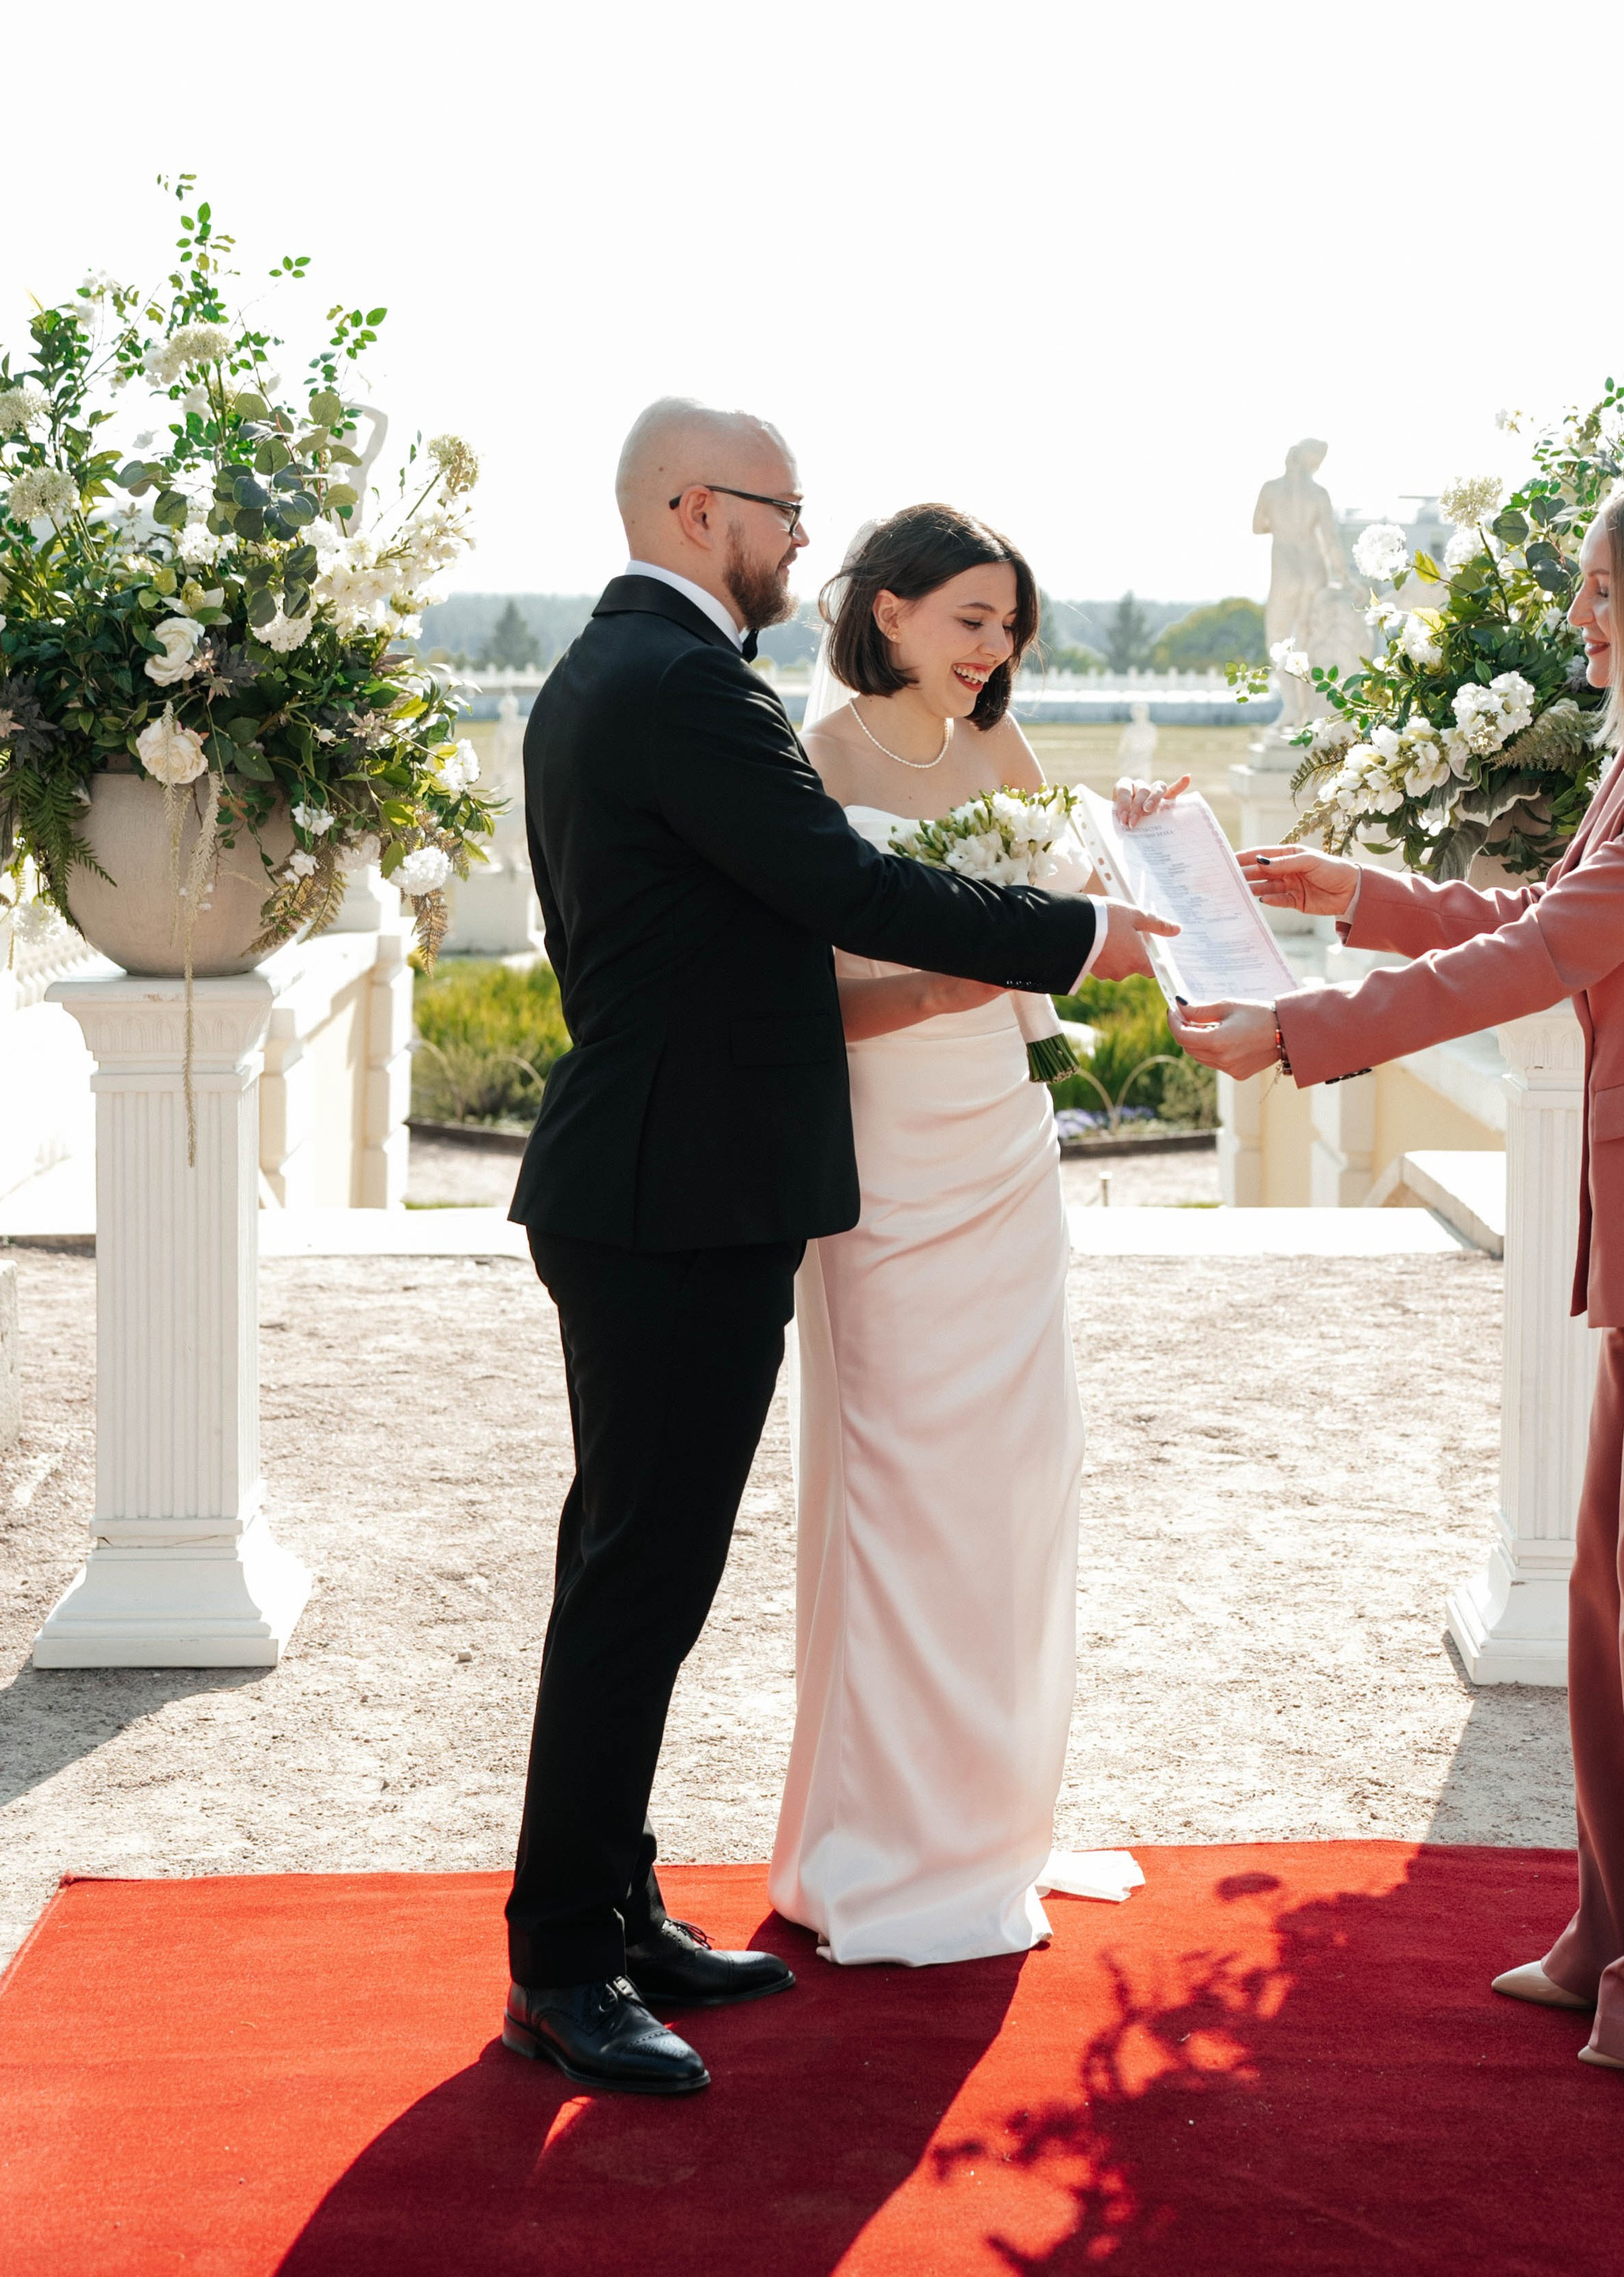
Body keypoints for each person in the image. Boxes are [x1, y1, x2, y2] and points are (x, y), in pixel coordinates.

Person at [1147, 459, 1624, 2078]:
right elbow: (1542, 910)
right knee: (1622, 1601)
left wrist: (1305, 1033)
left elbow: (1545, 957)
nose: (1575, 618)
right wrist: (1363, 899)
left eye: (1600, 591)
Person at [501, 402, 1173, 2097]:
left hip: (670, 1180)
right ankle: (564, 1963)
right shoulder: (677, 684)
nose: (801, 539)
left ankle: (622, 1905)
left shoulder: (620, 670)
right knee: (634, 1582)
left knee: (644, 1576)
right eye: (777, 511)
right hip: (672, 1192)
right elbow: (835, 889)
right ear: (684, 503)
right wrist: (1080, 930)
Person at [770, 504, 1140, 1965]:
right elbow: (799, 993)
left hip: (1003, 1145)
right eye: (973, 621)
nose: (995, 654)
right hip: (882, 1148)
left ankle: (991, 1827)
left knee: (1009, 1478)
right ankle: (872, 1844)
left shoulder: (1007, 757)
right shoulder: (819, 763)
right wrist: (932, 991)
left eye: (1011, 630)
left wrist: (1138, 853)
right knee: (897, 1475)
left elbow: (1080, 921)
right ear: (893, 612)